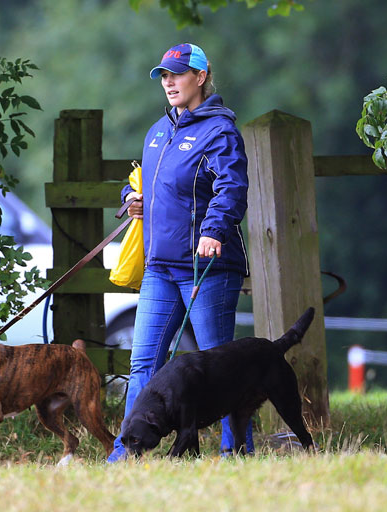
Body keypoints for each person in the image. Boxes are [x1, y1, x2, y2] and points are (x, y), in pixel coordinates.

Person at [107, 42, 253, 462]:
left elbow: (232, 189)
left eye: (177, 74)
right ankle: (125, 451)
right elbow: (147, 184)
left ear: (201, 77)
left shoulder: (220, 130)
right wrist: (130, 199)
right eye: (163, 76)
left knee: (218, 370)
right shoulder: (158, 130)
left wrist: (213, 230)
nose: (168, 82)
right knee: (143, 365)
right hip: (159, 267)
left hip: (205, 267)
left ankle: (235, 451)